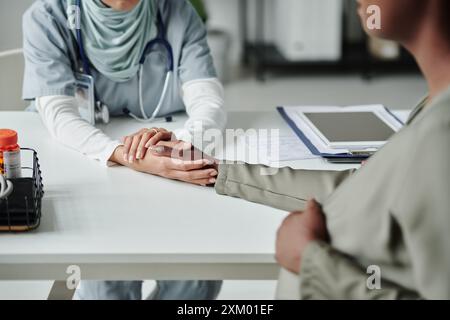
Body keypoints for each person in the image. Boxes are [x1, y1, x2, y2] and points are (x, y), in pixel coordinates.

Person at [154, 0, 450, 299]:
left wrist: (310, 261)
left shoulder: (441, 135)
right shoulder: (432, 109)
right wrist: (217, 171)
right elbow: (356, 187)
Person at [22, 0, 225, 300]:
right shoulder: (48, 16)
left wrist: (181, 145)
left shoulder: (177, 11)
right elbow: (59, 115)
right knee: (106, 280)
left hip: (167, 181)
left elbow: (208, 100)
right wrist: (126, 154)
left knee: (195, 279)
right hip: (86, 169)